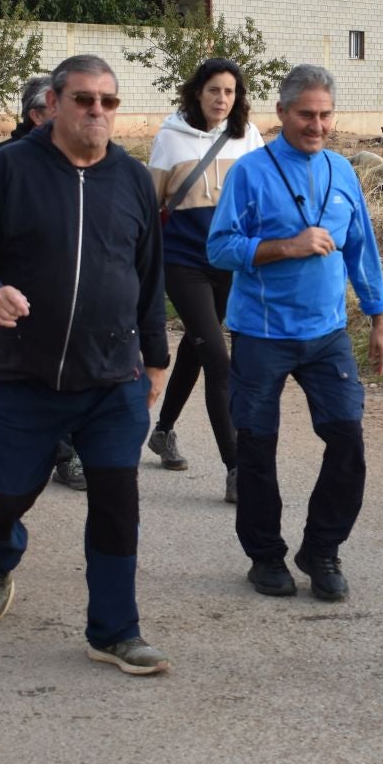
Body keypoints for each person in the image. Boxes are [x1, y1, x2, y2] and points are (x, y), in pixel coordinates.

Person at [0, 53, 173, 675]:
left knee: (116, 500)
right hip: (28, 377)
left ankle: (114, 631)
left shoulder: (130, 179)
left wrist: (156, 358)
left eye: (109, 101)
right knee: (11, 494)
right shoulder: (12, 168)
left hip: (112, 379)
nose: (98, 111)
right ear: (54, 103)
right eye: (84, 100)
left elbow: (149, 276)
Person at [206, 64, 383, 603]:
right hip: (262, 334)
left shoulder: (342, 171)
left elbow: (362, 249)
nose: (317, 125)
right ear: (282, 113)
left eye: (325, 115)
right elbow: (219, 248)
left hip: (327, 334)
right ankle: (265, 557)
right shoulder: (250, 172)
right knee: (257, 449)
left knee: (347, 441)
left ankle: (322, 550)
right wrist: (285, 245)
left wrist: (379, 319)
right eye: (306, 114)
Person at [147, 57, 267, 502]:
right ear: (197, 92)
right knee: (219, 360)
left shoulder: (248, 137)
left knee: (199, 349)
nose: (222, 99)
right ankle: (237, 469)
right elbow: (149, 203)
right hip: (183, 262)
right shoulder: (170, 138)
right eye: (214, 90)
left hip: (230, 262)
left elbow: (262, 197)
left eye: (230, 92)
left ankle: (162, 431)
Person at [0, 74, 88, 492]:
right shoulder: (7, 159)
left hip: (76, 289)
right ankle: (3, 430)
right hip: (22, 291)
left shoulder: (89, 159)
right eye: (60, 106)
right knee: (31, 374)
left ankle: (68, 454)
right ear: (37, 114)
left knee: (72, 371)